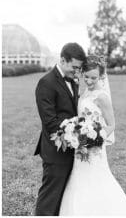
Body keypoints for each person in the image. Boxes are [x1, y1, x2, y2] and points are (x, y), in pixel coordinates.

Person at [58, 55, 126, 215]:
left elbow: (112, 124)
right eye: (86, 77)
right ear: (82, 73)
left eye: (94, 78)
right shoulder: (83, 93)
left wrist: (95, 139)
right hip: (80, 148)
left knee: (97, 179)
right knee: (80, 179)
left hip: (95, 149)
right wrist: (76, 134)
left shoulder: (102, 97)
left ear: (101, 77)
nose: (90, 81)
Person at [34, 42, 87, 215]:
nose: (77, 72)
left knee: (65, 198)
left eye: (79, 68)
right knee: (50, 197)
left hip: (74, 151)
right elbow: (50, 122)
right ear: (62, 60)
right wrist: (75, 135)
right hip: (56, 151)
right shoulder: (46, 83)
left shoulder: (74, 80)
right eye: (74, 67)